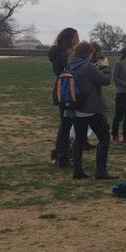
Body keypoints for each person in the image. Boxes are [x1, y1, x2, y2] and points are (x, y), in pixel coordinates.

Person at [67, 41, 116, 180]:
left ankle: (77, 170)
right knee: (104, 138)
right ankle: (101, 171)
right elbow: (106, 81)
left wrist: (96, 68)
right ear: (89, 54)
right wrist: (106, 67)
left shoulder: (71, 64)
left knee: (79, 139)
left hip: (76, 107)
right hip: (91, 108)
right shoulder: (88, 66)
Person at [49, 27, 80, 168]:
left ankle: (62, 153)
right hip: (67, 93)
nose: (78, 40)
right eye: (76, 37)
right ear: (69, 39)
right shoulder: (64, 55)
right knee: (66, 124)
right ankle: (62, 156)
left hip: (65, 91)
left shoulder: (60, 53)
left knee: (66, 123)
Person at [111, 46, 126, 145]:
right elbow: (116, 78)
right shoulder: (118, 64)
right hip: (122, 94)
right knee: (119, 116)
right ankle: (115, 137)